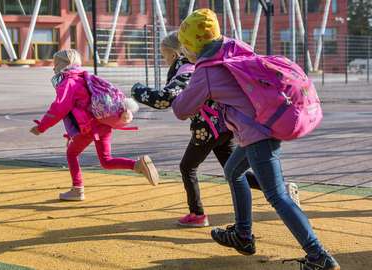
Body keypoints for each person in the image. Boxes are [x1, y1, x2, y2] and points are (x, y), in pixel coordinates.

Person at [172, 9, 339, 270]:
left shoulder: (206, 72)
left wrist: (177, 91)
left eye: (186, 46)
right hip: (265, 123)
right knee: (233, 171)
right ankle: (242, 235)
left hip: (257, 134)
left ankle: (318, 255)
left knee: (277, 195)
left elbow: (182, 109)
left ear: (194, 45)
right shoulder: (234, 48)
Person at [132, 32, 263, 227]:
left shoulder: (186, 69)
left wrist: (137, 90)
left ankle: (197, 214)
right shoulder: (196, 65)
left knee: (187, 167)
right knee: (233, 170)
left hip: (207, 129)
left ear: (175, 54)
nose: (164, 59)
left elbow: (164, 98)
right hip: (223, 126)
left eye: (164, 55)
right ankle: (279, 189)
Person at [30, 49, 159, 201]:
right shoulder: (87, 77)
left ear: (64, 65)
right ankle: (138, 165)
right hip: (103, 124)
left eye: (56, 64)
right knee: (106, 161)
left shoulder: (68, 82)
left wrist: (41, 127)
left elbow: (59, 108)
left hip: (87, 128)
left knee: (71, 154)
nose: (53, 68)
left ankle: (77, 189)